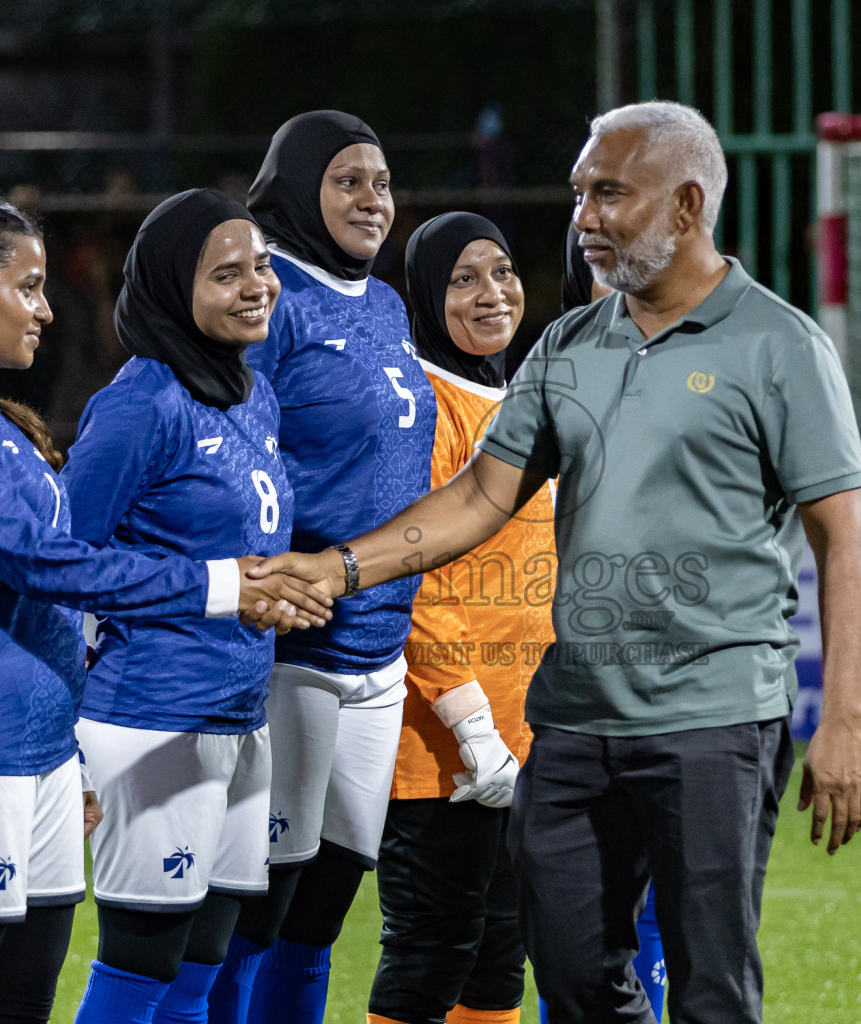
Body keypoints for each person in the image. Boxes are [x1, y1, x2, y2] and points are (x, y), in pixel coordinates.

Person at [250, 100, 861, 1024]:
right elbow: (475, 499)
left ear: (687, 204)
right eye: (580, 192)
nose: (583, 216)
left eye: (609, 193)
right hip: (574, 723)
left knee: (709, 983)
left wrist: (847, 721)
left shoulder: (779, 345)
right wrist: (338, 569)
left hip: (715, 717)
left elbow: (844, 543)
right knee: (573, 972)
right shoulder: (569, 346)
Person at [0, 192, 323, 1024]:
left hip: (41, 749)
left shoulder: (1, 421)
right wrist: (223, 586)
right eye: (30, 288)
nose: (49, 309)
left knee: (22, 1004)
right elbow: (42, 560)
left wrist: (69, 752)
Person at [208, 111, 438, 1024]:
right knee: (261, 903)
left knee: (328, 901)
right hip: (297, 640)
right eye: (348, 180)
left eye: (381, 183)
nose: (372, 200)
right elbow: (230, 456)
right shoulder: (275, 301)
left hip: (382, 645)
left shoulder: (382, 302)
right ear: (298, 186)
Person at [65, 188, 302, 1022]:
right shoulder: (140, 405)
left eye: (264, 268)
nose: (257, 287)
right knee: (143, 965)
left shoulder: (251, 392)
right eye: (227, 273)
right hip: (150, 713)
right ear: (170, 288)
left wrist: (275, 596)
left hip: (240, 714)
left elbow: (237, 552)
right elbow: (66, 562)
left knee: (204, 966)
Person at [365, 212, 551, 1024]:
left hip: (527, 731)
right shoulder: (420, 405)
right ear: (424, 295)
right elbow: (412, 581)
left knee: (499, 961)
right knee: (429, 952)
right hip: (440, 744)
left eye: (502, 271)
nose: (491, 293)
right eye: (463, 279)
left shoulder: (528, 400)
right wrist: (471, 725)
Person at [534, 223, 666, 1024]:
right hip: (566, 706)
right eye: (602, 272)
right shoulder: (547, 394)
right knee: (572, 930)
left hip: (678, 700)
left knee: (663, 923)